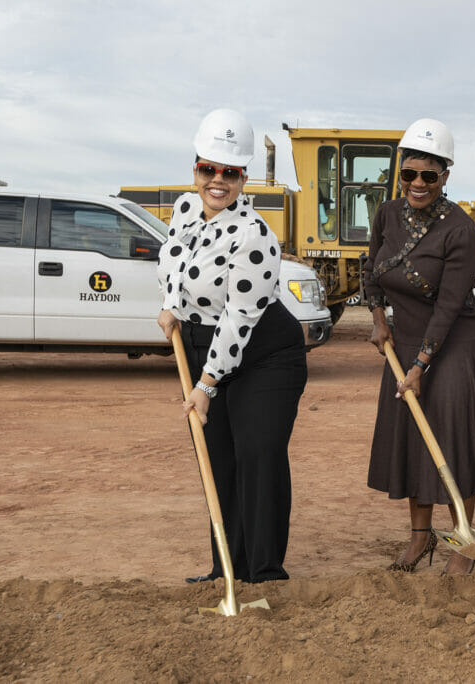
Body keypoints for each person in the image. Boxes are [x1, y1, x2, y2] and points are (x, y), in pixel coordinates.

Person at [156, 108, 307, 584]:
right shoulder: (184, 209)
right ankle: (226, 570)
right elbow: (175, 265)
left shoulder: (254, 235)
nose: (217, 181)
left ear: (244, 178)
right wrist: (171, 304)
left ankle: (264, 573)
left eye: (230, 172)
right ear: (196, 167)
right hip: (205, 347)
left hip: (265, 354)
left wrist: (206, 384)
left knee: (257, 453)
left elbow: (239, 319)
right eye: (208, 169)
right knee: (217, 458)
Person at [364, 118, 475, 576]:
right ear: (400, 173)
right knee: (414, 443)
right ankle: (420, 541)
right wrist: (379, 319)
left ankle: (463, 543)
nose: (417, 184)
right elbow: (372, 270)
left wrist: (421, 364)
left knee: (453, 445)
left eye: (429, 175)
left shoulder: (460, 231)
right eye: (409, 174)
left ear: (445, 177)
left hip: (455, 346)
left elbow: (447, 306)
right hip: (401, 344)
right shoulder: (386, 214)